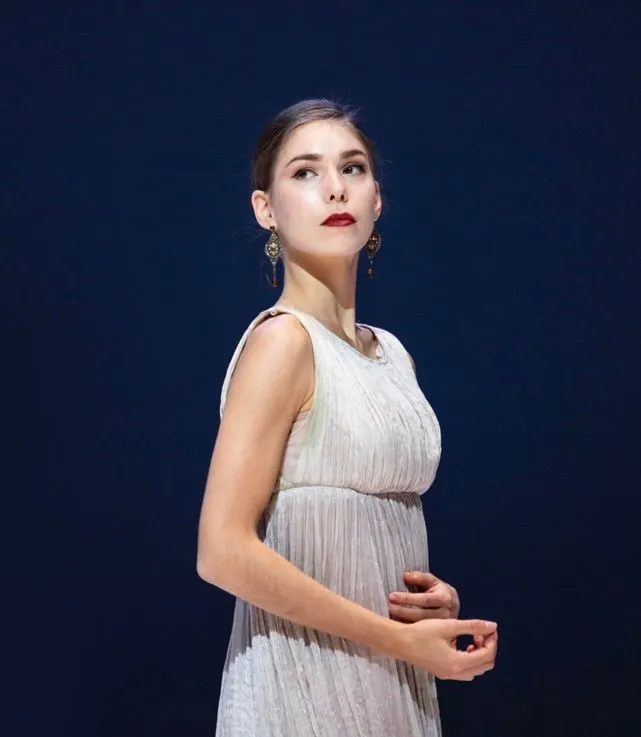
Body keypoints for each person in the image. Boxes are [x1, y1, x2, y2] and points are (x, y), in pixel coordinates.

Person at [197, 99, 498, 737]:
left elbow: (372, 530)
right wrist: (398, 640)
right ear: (265, 209)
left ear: (377, 199)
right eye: (305, 172)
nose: (335, 187)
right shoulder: (283, 343)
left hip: (392, 684)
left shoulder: (393, 355)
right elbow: (221, 550)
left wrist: (429, 606)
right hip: (300, 684)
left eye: (353, 168)